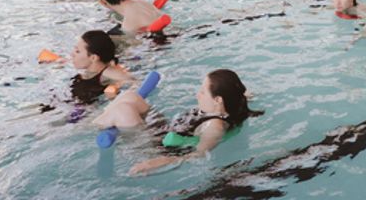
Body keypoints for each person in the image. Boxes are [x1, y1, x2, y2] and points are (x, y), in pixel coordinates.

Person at [109, 69, 259, 176]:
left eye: (203, 92)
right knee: (131, 97)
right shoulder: (226, 105)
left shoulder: (214, 126)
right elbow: (237, 94)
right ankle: (100, 119)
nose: (197, 95)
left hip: (156, 147)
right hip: (164, 130)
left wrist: (162, 161)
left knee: (122, 110)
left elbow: (199, 154)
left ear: (218, 100)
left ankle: (95, 125)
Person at [69, 30, 135, 103]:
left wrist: (115, 86)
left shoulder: (107, 72)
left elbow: (132, 82)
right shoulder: (91, 71)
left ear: (93, 58)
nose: (72, 54)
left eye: (77, 51)